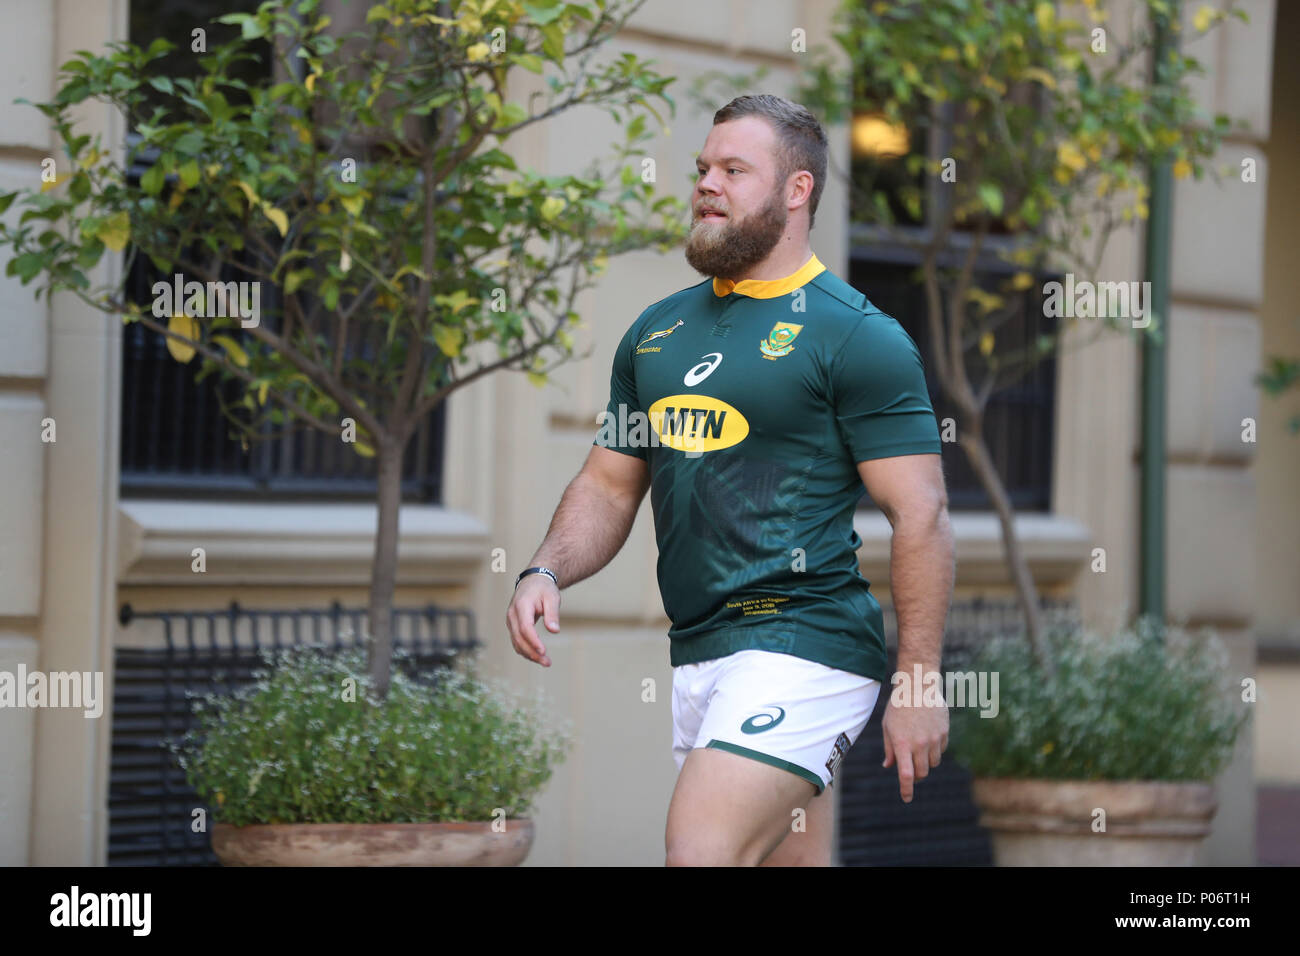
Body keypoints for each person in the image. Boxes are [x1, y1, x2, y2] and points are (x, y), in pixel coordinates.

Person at [505, 93, 955, 866]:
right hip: (701, 650)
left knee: (701, 849)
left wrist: (918, 682)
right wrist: (546, 567)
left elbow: (921, 515)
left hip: (805, 640)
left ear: (796, 190)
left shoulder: (857, 336)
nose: (706, 184)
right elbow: (611, 486)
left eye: (734, 170)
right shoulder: (656, 332)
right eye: (703, 168)